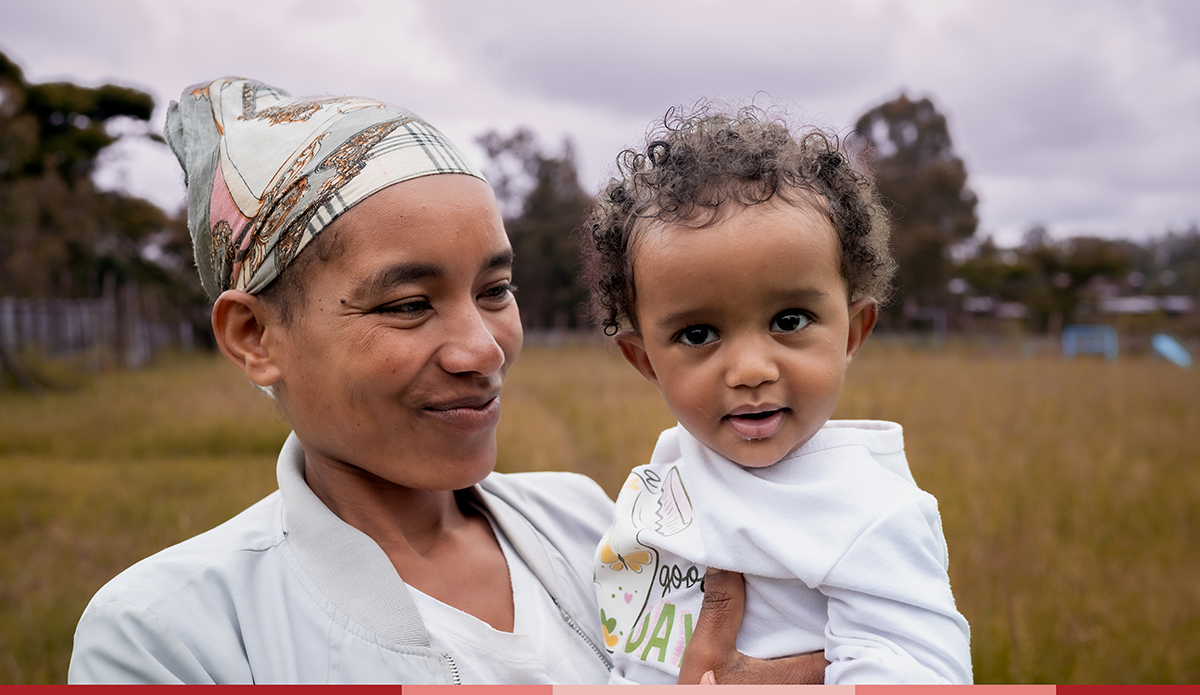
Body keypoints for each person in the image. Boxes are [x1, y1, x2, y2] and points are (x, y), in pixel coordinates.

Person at [67, 78, 826, 685]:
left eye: (495, 290)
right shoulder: (169, 636)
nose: (481, 349)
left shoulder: (591, 525)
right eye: (406, 304)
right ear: (254, 336)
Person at [580, 105, 974, 684]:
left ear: (852, 332)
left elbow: (921, 674)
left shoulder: (866, 509)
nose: (750, 370)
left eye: (789, 320)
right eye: (698, 335)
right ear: (645, 361)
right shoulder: (675, 465)